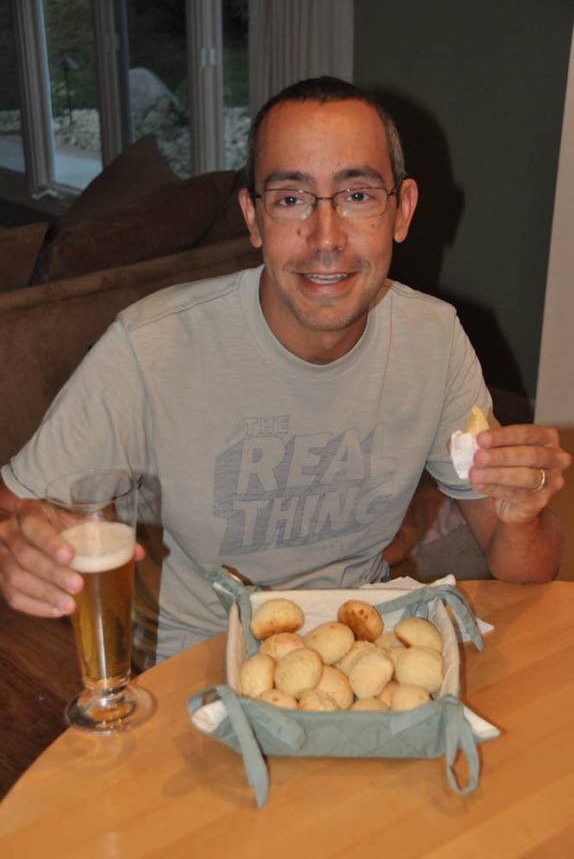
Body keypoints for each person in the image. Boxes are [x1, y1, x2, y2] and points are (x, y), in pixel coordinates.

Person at [0, 76, 570, 667]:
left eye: (357, 196)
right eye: (292, 199)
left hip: (360, 664)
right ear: (253, 217)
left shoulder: (435, 339)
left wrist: (523, 514)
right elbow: (14, 505)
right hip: (192, 677)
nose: (326, 240)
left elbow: (523, 569)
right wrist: (17, 547)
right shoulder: (153, 347)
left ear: (401, 210)